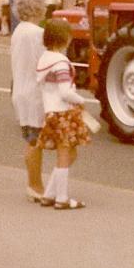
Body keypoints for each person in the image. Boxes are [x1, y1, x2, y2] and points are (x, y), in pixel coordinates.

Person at [35, 18, 90, 210]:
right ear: (65, 38)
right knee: (66, 154)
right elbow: (65, 91)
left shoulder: (44, 58)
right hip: (63, 112)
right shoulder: (60, 62)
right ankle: (62, 198)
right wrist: (81, 100)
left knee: (67, 153)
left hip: (50, 111)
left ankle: (49, 194)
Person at [10, 0, 48, 202]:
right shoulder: (35, 33)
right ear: (37, 9)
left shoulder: (20, 31)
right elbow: (43, 62)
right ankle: (35, 185)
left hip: (22, 90)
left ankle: (35, 184)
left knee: (32, 140)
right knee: (35, 142)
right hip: (33, 93)